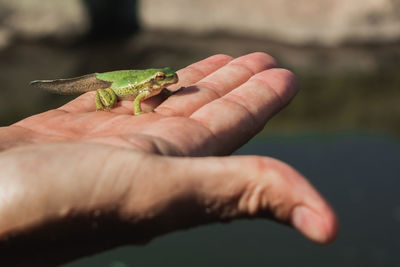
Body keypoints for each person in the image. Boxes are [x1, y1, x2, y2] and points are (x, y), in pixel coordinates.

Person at [0, 52, 337, 265]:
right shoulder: (145, 90)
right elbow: (135, 104)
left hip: (124, 74)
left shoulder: (158, 83)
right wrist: (131, 114)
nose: (167, 81)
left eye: (166, 77)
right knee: (97, 92)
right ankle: (92, 97)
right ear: (154, 82)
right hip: (110, 85)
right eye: (162, 79)